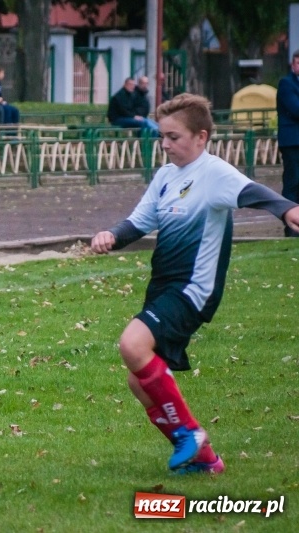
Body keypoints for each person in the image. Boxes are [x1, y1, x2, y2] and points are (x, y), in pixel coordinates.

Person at [91, 93, 299, 474]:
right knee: (140, 383)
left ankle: (191, 433)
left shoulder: (214, 172)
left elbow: (253, 191)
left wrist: (287, 209)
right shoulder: (166, 176)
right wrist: (111, 235)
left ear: (201, 137)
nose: (166, 144)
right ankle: (204, 460)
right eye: (162, 137)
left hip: (192, 290)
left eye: (174, 137)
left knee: (131, 344)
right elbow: (139, 221)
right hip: (163, 287)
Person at [276, 49, 299, 237]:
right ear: (293, 64)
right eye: (298, 63)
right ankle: (291, 227)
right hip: (292, 142)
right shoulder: (286, 84)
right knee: (293, 182)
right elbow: (296, 109)